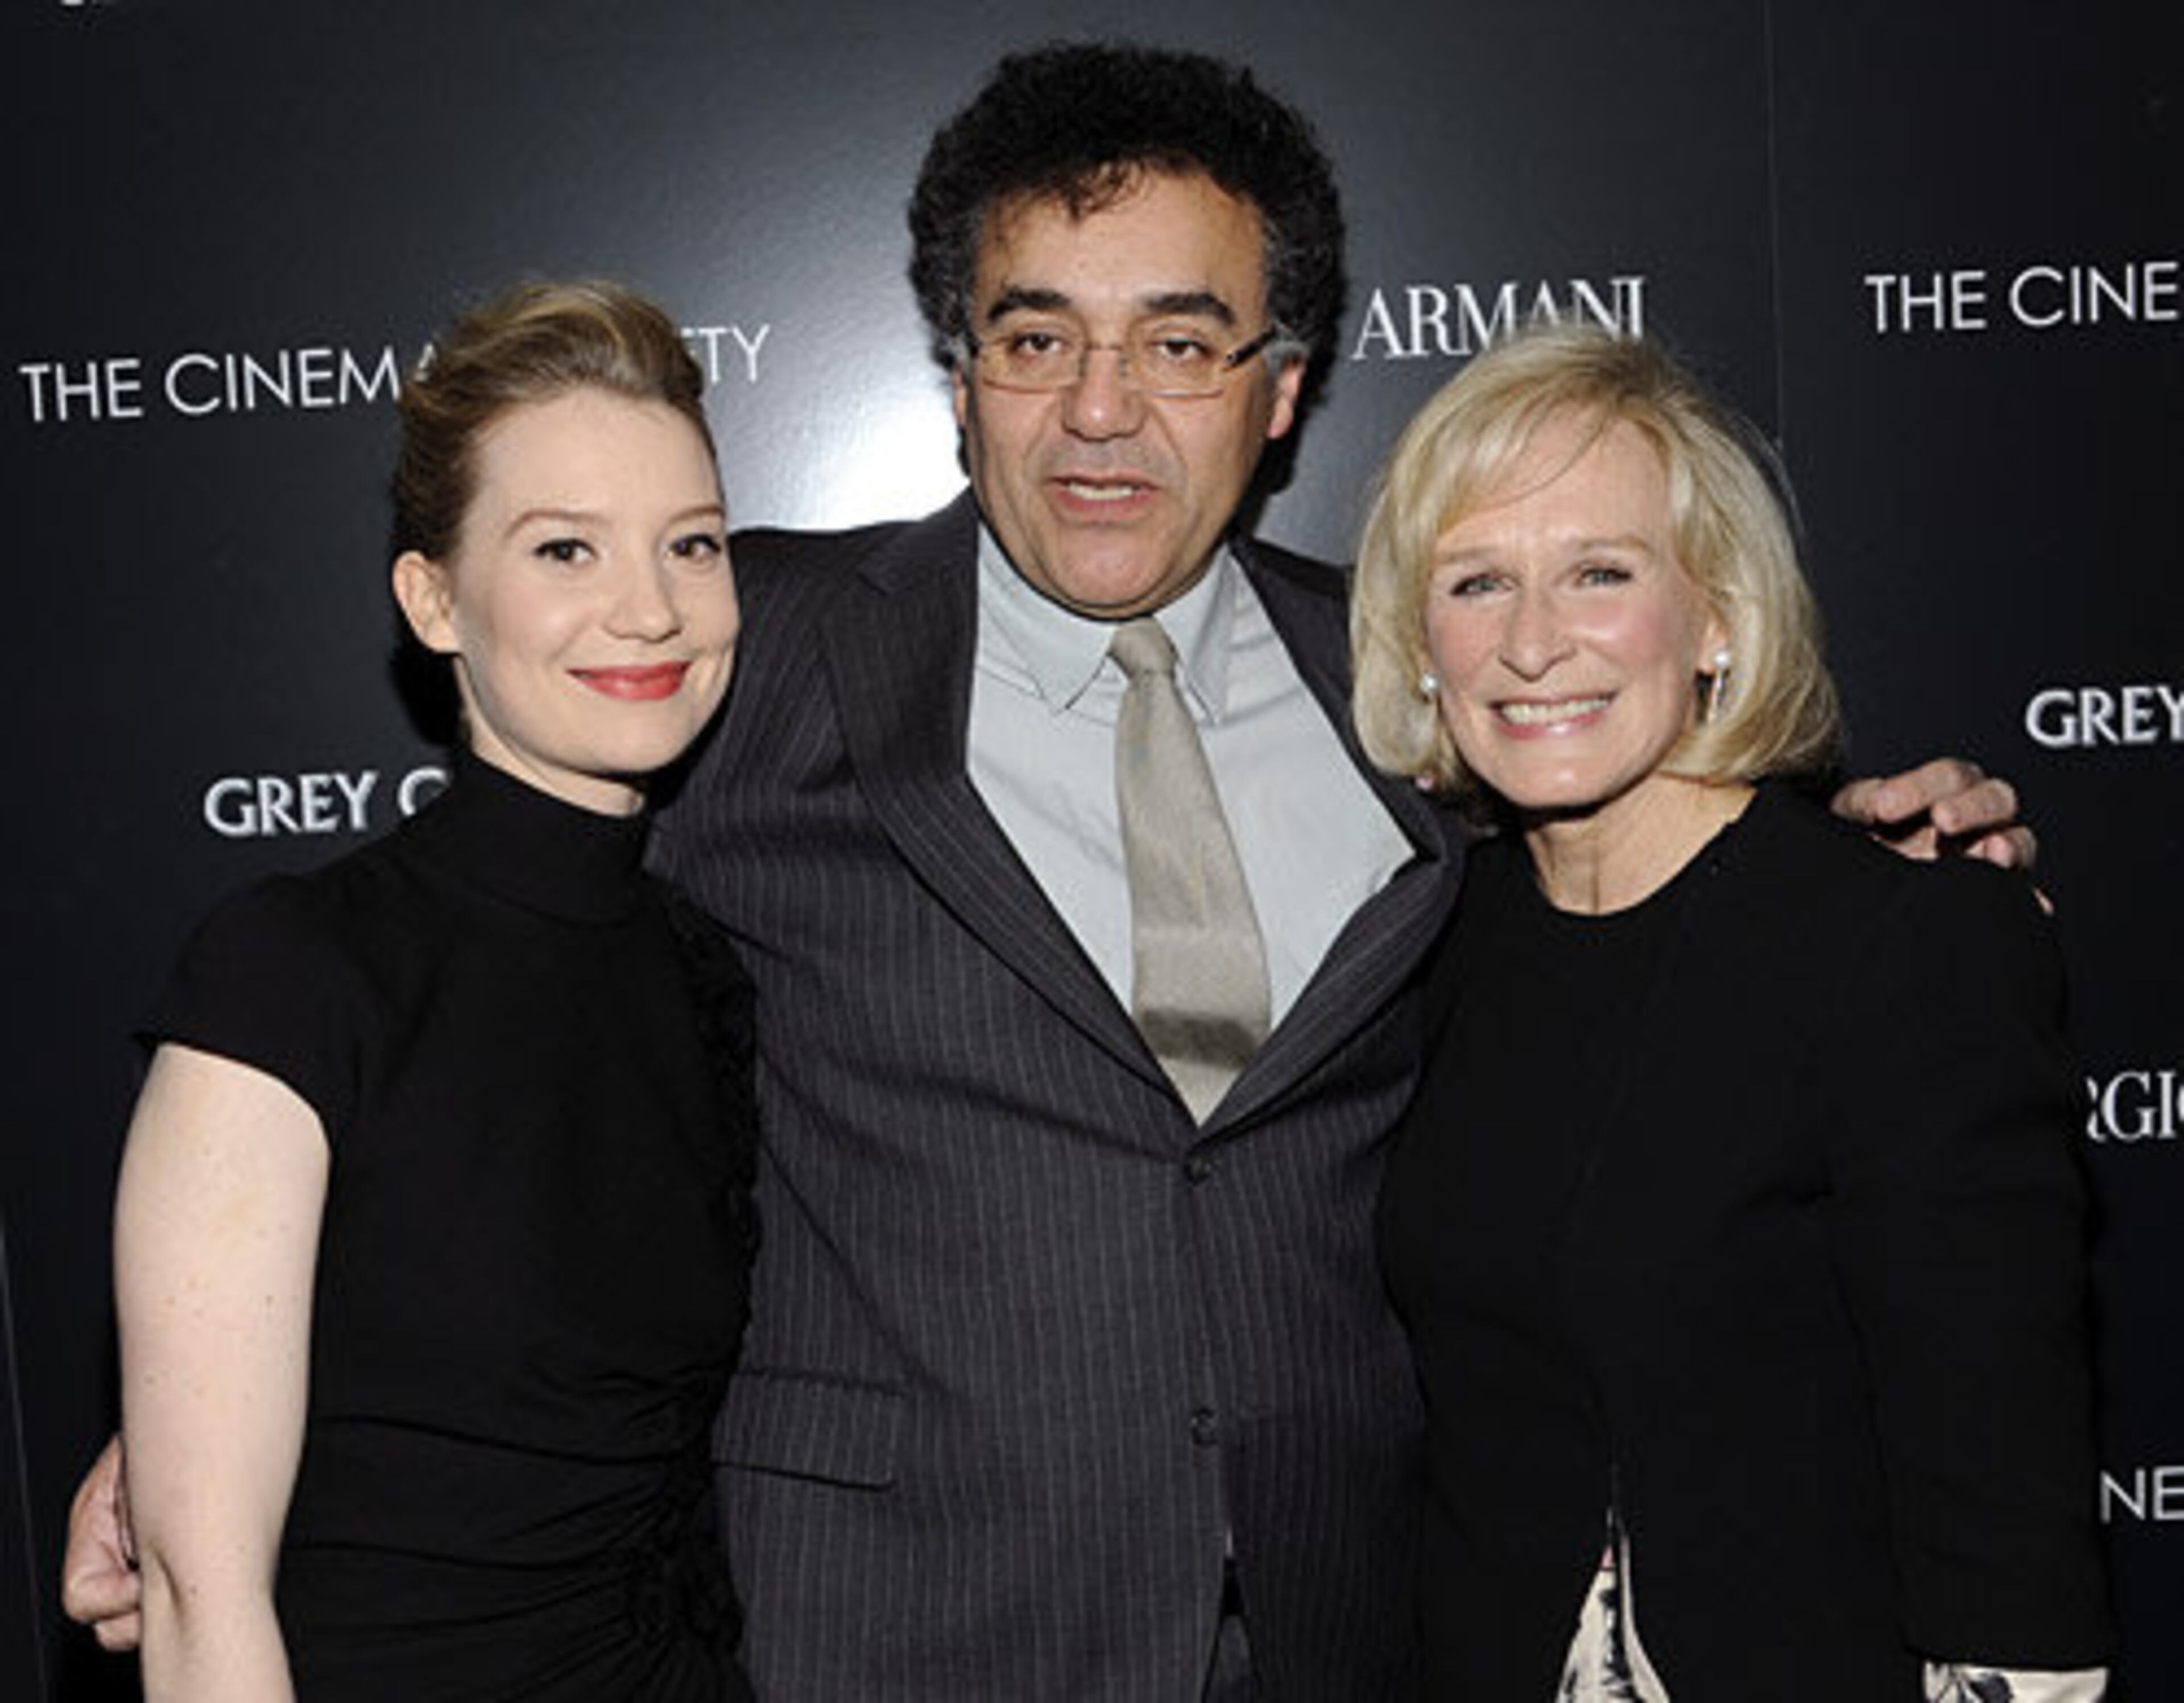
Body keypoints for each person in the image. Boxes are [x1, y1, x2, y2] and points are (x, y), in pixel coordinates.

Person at [68, 43, 2037, 1701]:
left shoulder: (1426, 681)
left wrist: (1846, 832)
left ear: (1279, 390)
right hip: (892, 1637)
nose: (1103, 410)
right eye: (1039, 338)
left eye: (1180, 341)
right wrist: (204, 1429)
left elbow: (1647, 911)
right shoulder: (740, 649)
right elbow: (462, 993)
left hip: (1362, 1624)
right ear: (960, 374)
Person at [1352, 322, 2111, 1700]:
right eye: (1477, 581)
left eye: (1600, 572)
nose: (1532, 642)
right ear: (1421, 644)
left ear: (1716, 618)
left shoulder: (1898, 934)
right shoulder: (1429, 949)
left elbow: (1999, 1475)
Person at [107, 280, 759, 1700]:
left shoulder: (706, 971)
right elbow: (195, 1590)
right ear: (435, 598)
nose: (646, 607)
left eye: (692, 544)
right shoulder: (294, 968)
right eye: (566, 548)